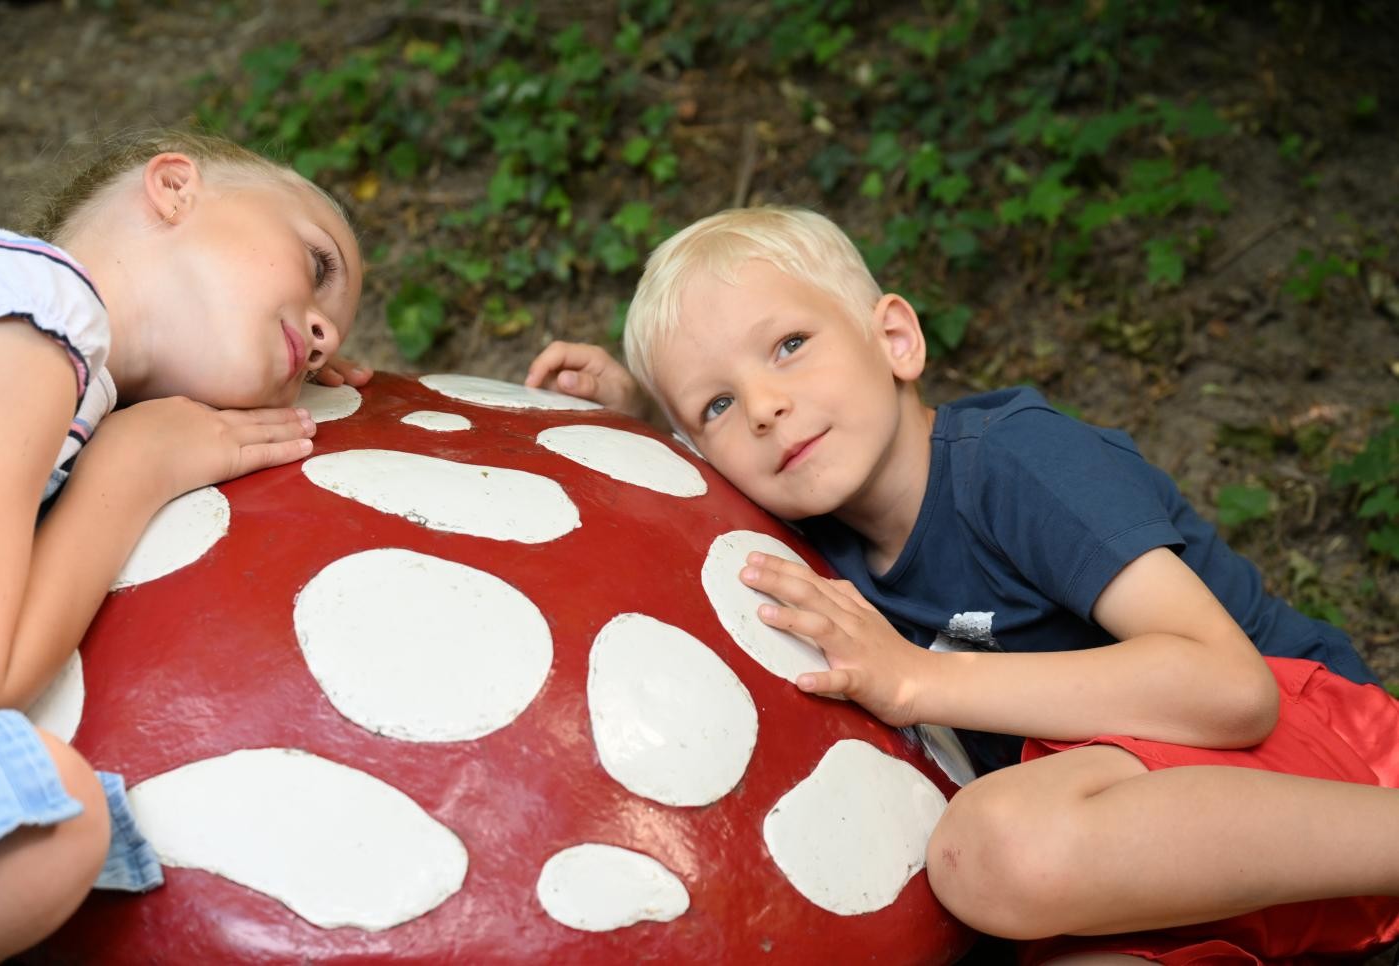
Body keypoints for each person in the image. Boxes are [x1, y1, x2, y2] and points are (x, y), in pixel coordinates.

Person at [525, 205, 1399, 964]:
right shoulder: (809, 539)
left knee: (991, 851)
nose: (762, 407)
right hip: (1167, 872)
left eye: (789, 346)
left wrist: (919, 677)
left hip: (1324, 772)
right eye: (718, 405)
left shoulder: (1017, 463)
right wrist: (637, 423)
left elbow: (1231, 690)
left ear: (895, 339)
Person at [0, 130, 367, 965]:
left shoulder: (50, 355)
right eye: (317, 266)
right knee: (49, 818)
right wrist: (132, 470)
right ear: (174, 186)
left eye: (330, 340)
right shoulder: (35, 309)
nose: (322, 333)